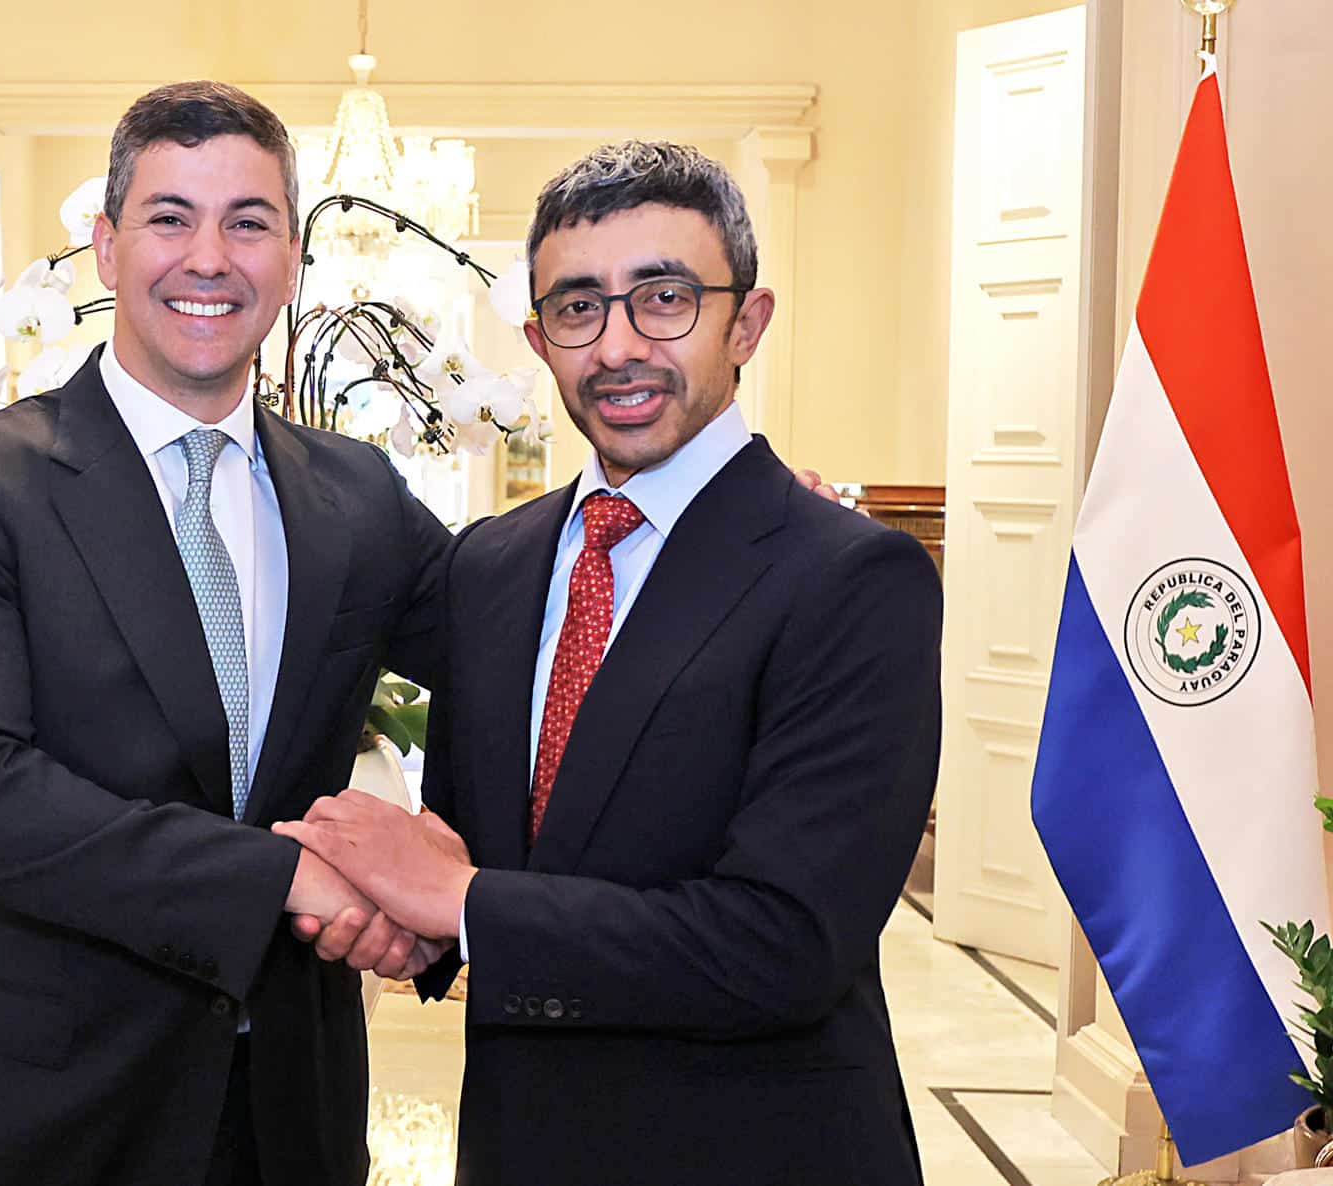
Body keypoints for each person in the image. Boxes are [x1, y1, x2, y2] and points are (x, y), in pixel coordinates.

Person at [277, 141, 942, 1184]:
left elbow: (786, 942)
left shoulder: (850, 579)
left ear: (746, 323)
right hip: (517, 1143)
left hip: (760, 1152)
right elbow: (489, 858)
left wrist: (456, 904)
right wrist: (405, 921)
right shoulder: (491, 567)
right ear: (542, 340)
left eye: (665, 298)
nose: (621, 345)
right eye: (581, 308)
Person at [0, 81, 452, 1186]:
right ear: (107, 246)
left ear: (293, 260)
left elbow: (515, 637)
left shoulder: (358, 496)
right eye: (170, 217)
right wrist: (282, 880)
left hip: (289, 1115)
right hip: (32, 1114)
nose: (209, 258)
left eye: (250, 221)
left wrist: (707, 528)